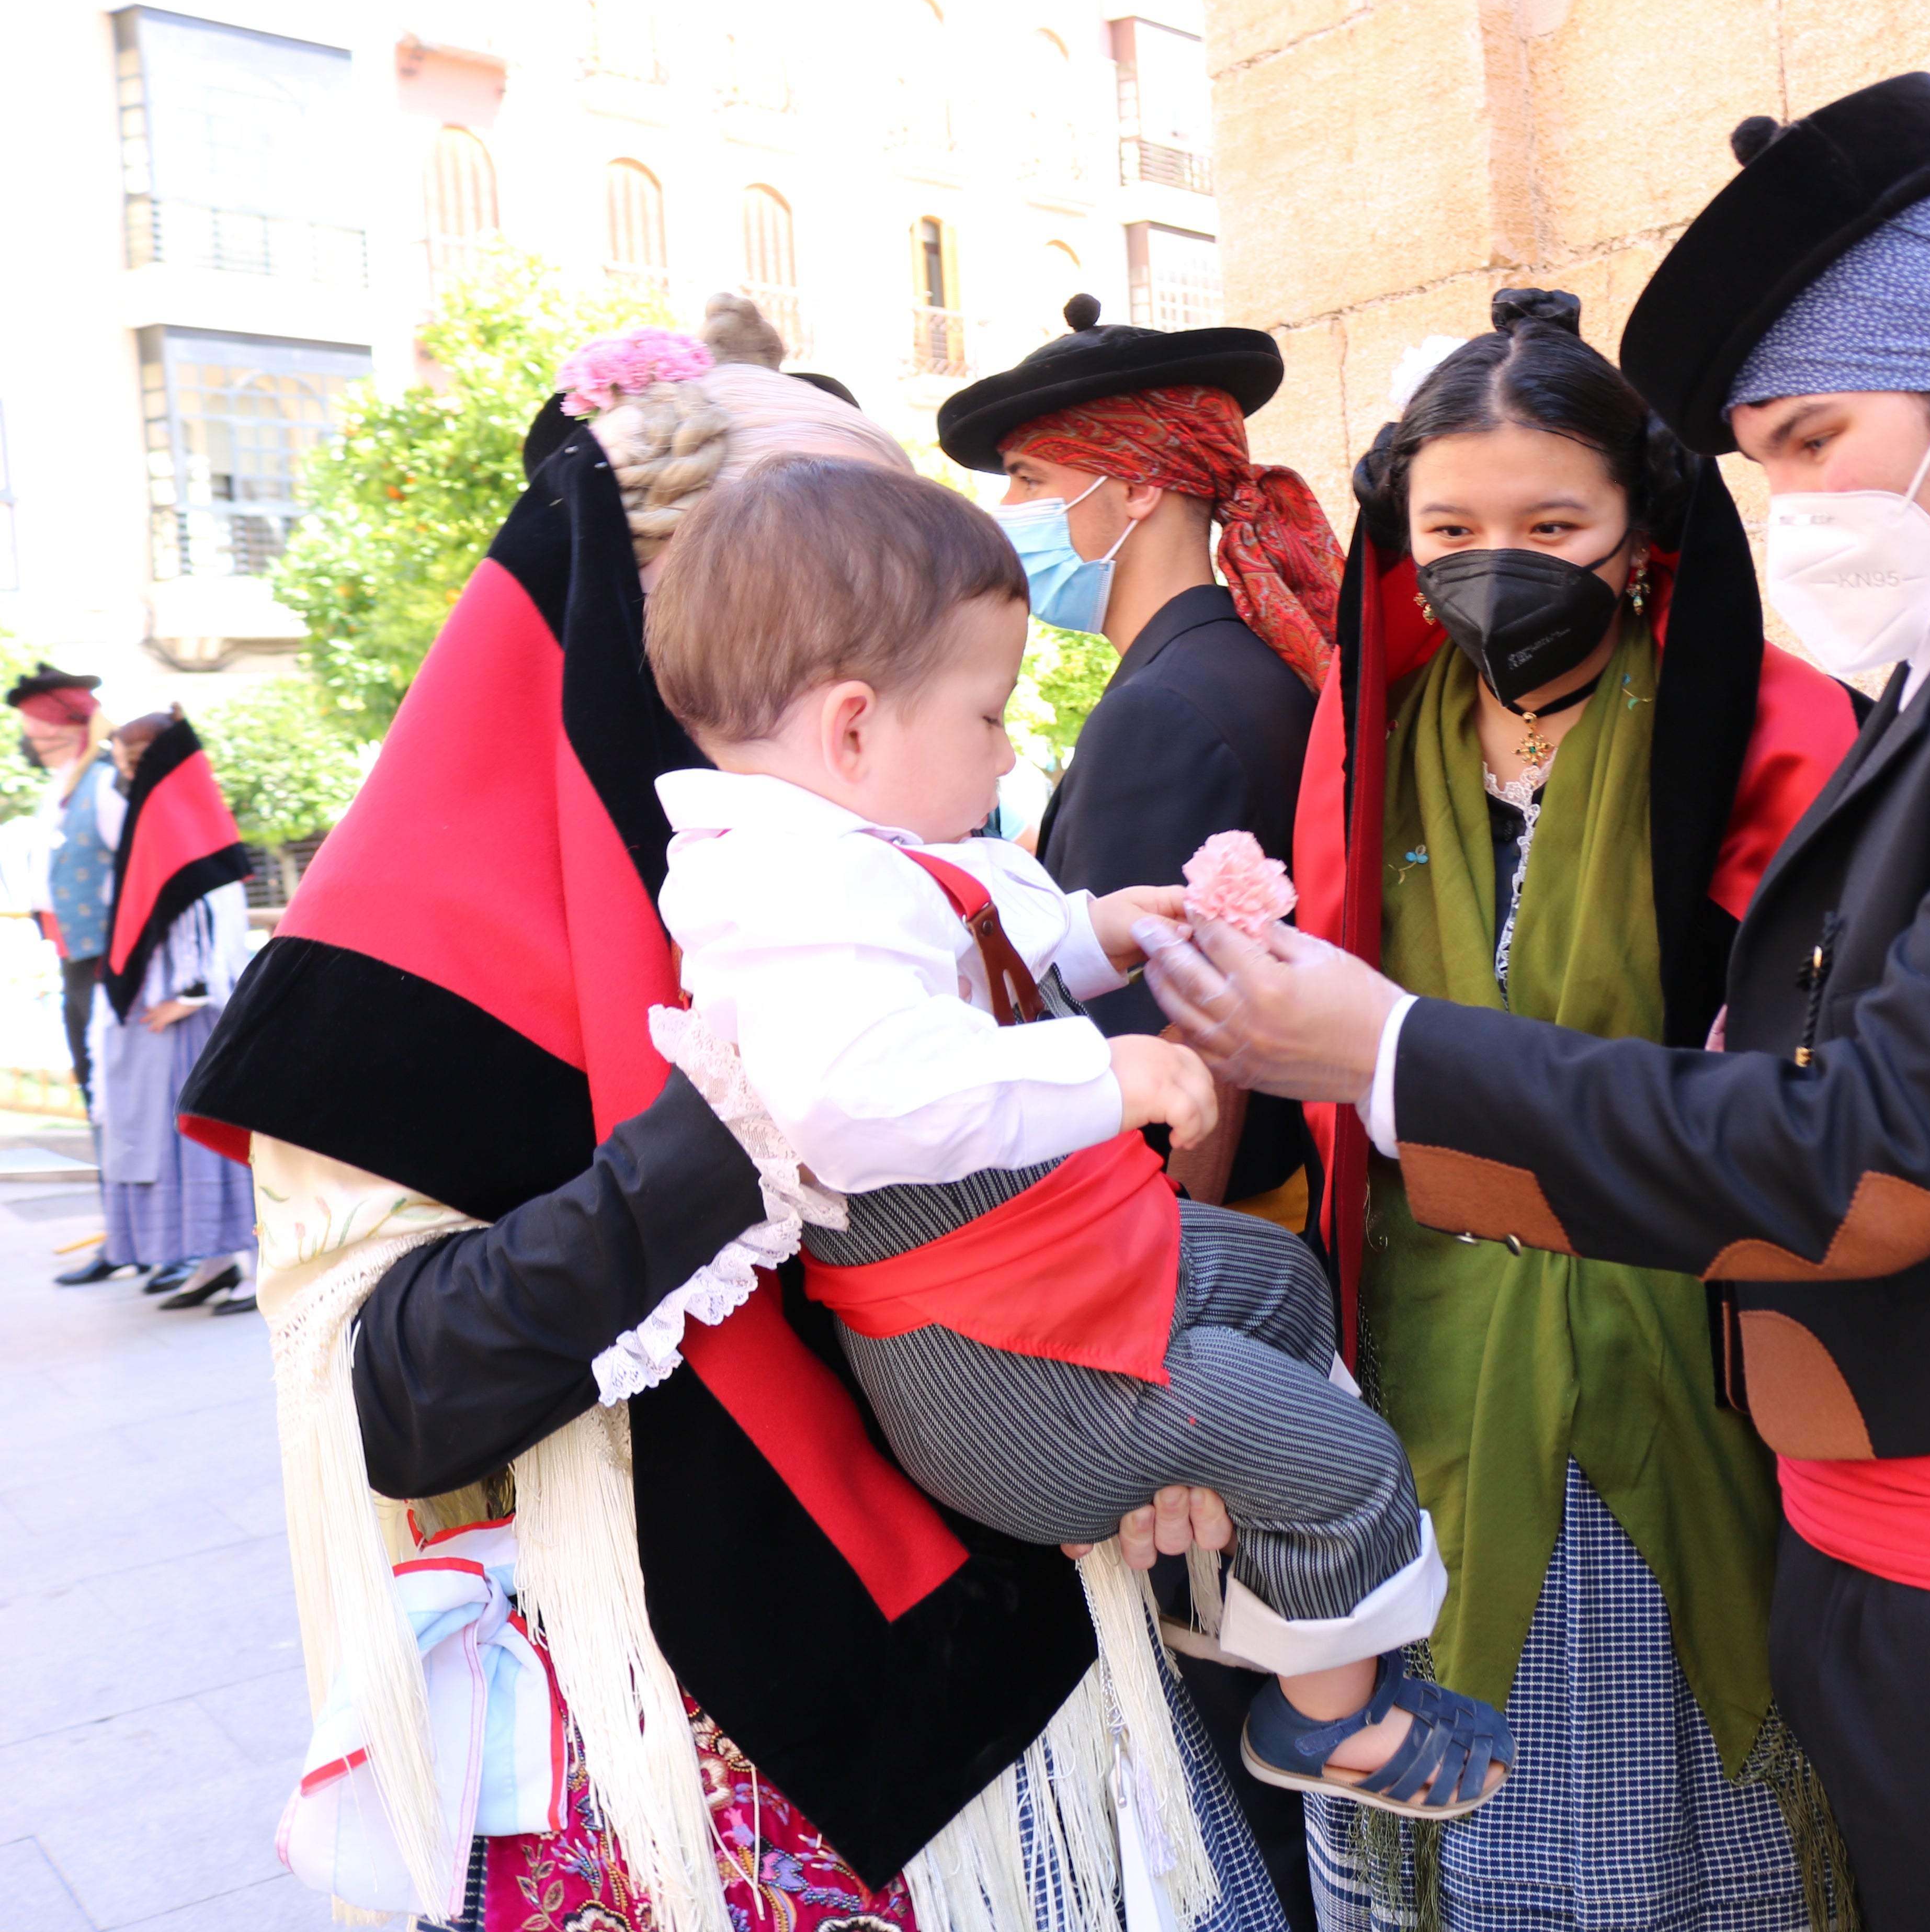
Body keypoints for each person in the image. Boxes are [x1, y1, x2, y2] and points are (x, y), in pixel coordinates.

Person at [1139, 73, 1930, 1931]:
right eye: (1762, 456)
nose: (1787, 501)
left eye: (1810, 438)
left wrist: (1384, 1049)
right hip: (1896, 1518)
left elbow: (1888, 1139)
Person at [182, 295, 1297, 1932]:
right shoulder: (407, 942)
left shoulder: (893, 849)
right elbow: (399, 1397)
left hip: (1033, 1666)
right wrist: (742, 1123)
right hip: (685, 1763)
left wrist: (1157, 1421)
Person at [642, 453, 1504, 1819]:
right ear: (853, 728)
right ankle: (1329, 1723)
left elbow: (1011, 936)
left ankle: (1250, 1595)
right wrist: (1111, 1080)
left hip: (1051, 1282)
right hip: (998, 1362)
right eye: (986, 715)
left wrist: (1122, 928)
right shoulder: (787, 900)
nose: (1006, 750)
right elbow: (866, 1097)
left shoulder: (870, 849)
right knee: (1341, 1463)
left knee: (1282, 1288)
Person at [1280, 288, 1862, 1929]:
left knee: (1656, 1817)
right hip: (1422, 1376)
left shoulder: (1769, 727)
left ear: (1638, 533)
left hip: (1677, 1352)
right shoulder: (1367, 744)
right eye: (1447, 523)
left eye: (1550, 521)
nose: (1493, 557)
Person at [938, 295, 1337, 1228]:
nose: (1007, 512)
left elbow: (1136, 1044)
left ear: (1141, 488)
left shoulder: (1162, 709)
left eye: (1030, 479)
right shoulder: (1233, 663)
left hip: (1192, 1223)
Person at [86, 710, 256, 1312]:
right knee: (174, 1141)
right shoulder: (153, 824)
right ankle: (213, 1262)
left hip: (194, 1014)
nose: (122, 772)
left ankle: (256, 1267)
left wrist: (188, 995)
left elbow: (216, 910)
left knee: (213, 1135)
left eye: (131, 761)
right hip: (164, 1009)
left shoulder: (189, 822)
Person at [13, 666, 139, 1284]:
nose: (30, 741)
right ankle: (124, 1233)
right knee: (98, 1100)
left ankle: (157, 1235)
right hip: (75, 960)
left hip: (107, 961)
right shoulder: (62, 786)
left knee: (124, 1100)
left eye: (38, 731)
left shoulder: (104, 784)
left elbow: (138, 871)